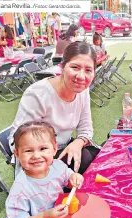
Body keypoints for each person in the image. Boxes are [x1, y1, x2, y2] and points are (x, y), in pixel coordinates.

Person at [9, 41, 100, 176]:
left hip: (63, 147)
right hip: (39, 156)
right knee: (84, 160)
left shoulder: (82, 91)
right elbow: (17, 143)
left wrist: (78, 142)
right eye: (75, 67)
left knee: (98, 156)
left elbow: (86, 129)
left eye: (88, 70)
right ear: (62, 67)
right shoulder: (38, 94)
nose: (81, 76)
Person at [6, 121, 84, 218]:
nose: (36, 156)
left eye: (43, 149)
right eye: (28, 151)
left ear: (54, 149)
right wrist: (45, 217)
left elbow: (69, 182)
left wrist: (74, 178)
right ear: (17, 154)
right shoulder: (19, 189)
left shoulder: (58, 166)